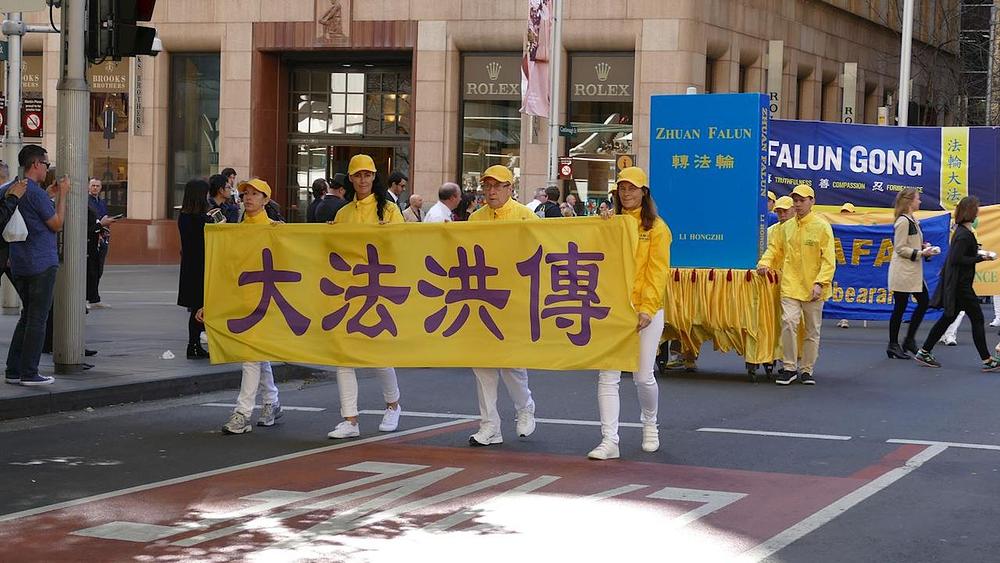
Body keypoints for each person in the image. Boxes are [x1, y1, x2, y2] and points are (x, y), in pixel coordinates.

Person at [589, 167, 670, 460]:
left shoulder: (657, 228)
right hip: (613, 308)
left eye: (632, 188)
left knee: (643, 376)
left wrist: (647, 309)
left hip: (646, 310)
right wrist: (602, 224)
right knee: (607, 374)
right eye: (622, 188)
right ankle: (609, 439)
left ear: (644, 192)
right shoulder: (612, 222)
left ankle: (650, 423)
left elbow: (657, 273)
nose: (627, 193)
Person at [196, 178, 284, 433]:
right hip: (242, 301)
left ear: (266, 200)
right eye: (246, 193)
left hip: (268, 301)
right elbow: (225, 270)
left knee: (251, 356)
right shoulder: (235, 230)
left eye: (256, 194)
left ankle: (242, 413)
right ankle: (272, 402)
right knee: (257, 354)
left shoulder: (276, 230)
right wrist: (210, 303)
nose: (249, 197)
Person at [327, 154, 404, 439]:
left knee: (379, 354)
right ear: (350, 178)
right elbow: (331, 251)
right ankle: (350, 419)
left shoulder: (389, 210)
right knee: (343, 356)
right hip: (349, 289)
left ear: (374, 177)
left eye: (367, 175)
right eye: (358, 175)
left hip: (380, 289)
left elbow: (404, 245)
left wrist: (389, 235)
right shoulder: (343, 213)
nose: (363, 180)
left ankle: (393, 405)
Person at [466, 164, 537, 446]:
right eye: (487, 186)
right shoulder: (475, 218)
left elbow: (541, 253)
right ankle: (490, 425)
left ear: (511, 188)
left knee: (511, 365)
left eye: (498, 186)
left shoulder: (526, 216)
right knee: (482, 365)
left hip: (514, 300)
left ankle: (525, 408)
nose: (491, 191)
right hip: (482, 298)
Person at [756, 184, 836, 386]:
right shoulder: (787, 227)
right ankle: (789, 367)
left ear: (812, 202)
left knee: (812, 330)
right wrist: (764, 262)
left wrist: (820, 283)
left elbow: (829, 259)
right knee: (789, 322)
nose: (798, 204)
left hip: (813, 288)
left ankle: (807, 369)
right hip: (790, 284)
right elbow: (775, 249)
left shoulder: (822, 226)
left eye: (802, 200)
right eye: (796, 201)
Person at [5, 145, 69, 386]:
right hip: (41, 262)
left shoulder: (17, 189)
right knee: (37, 319)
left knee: (27, 316)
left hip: (20, 262)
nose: (47, 168)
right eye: (46, 164)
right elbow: (56, 223)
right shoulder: (37, 193)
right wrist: (62, 194)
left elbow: (30, 211)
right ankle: (30, 372)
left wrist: (50, 195)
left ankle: (13, 369)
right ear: (35, 164)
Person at [914, 197, 1000, 370]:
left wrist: (977, 255)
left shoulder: (961, 232)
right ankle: (987, 359)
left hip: (958, 283)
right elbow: (957, 258)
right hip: (961, 285)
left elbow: (957, 257)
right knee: (977, 318)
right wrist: (980, 257)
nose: (978, 212)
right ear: (971, 212)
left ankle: (924, 351)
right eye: (976, 209)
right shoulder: (964, 234)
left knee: (948, 317)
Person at [886, 188, 934, 360]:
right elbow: (899, 248)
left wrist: (922, 246)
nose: (919, 201)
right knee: (902, 307)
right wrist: (921, 253)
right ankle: (896, 343)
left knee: (919, 303)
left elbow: (909, 243)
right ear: (910, 201)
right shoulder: (904, 222)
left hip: (911, 272)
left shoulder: (912, 220)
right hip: (903, 272)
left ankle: (906, 340)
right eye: (917, 199)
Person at [177, 179, 212, 360]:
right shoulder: (200, 219)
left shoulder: (184, 216)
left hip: (190, 266)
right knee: (200, 306)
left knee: (196, 307)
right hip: (201, 266)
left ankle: (194, 344)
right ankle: (194, 345)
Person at [85, 178, 116, 309]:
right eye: (93, 185)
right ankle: (87, 297)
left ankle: (94, 297)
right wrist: (100, 223)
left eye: (97, 186)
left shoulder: (102, 202)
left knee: (98, 269)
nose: (95, 188)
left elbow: (104, 216)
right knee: (90, 270)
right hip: (91, 238)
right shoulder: (86, 202)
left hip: (102, 237)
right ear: (88, 187)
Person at [837, 202, 857, 328]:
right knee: (839, 288)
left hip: (853, 263)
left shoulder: (858, 227)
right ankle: (842, 317)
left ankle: (845, 317)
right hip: (840, 262)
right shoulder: (837, 226)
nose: (846, 215)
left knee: (849, 287)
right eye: (844, 212)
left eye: (848, 213)